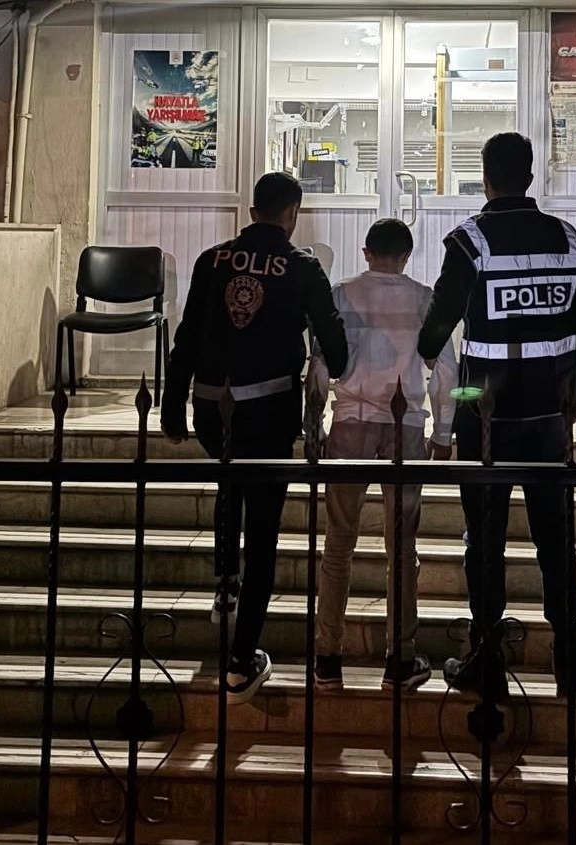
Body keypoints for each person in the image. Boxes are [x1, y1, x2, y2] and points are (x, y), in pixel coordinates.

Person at [417, 132, 576, 699]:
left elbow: (435, 330)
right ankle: (569, 658)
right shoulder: (566, 238)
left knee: (485, 537)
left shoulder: (470, 241)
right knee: (555, 536)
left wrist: (429, 350)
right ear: (529, 175)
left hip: (484, 415)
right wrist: (575, 392)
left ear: (486, 177)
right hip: (549, 415)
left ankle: (487, 656)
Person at [161, 172, 348, 704]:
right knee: (263, 529)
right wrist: (334, 363)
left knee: (229, 483)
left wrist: (172, 405)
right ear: (292, 214)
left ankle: (226, 583)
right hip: (266, 409)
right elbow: (333, 342)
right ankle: (241, 662)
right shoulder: (302, 265)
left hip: (211, 407)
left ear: (252, 211)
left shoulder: (212, 260)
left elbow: (187, 335)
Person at [307, 218, 457, 693]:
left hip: (350, 421)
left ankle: (327, 656)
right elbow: (446, 371)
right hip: (404, 426)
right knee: (402, 549)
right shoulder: (423, 298)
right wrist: (444, 432)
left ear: (366, 252)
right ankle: (400, 657)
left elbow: (319, 364)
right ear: (407, 256)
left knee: (338, 544)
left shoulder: (341, 294)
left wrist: (313, 425)